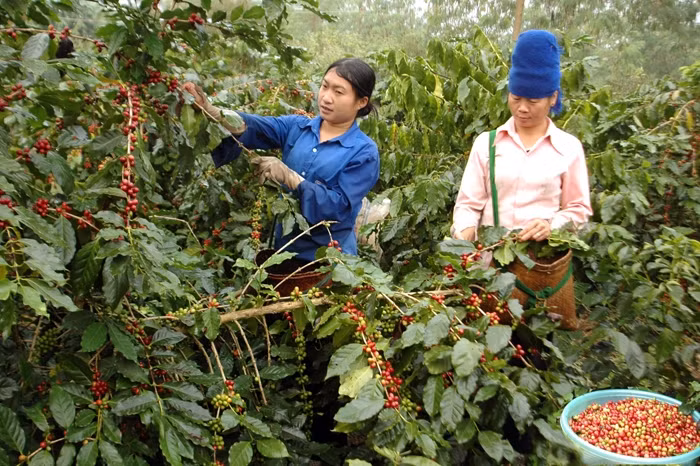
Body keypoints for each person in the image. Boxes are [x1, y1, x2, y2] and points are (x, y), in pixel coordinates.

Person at [183, 58, 380, 262]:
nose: (326, 98)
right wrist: (211, 110)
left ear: (361, 102)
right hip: (283, 251)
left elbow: (339, 206)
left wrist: (291, 178)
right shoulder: (297, 127)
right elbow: (255, 127)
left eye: (338, 92)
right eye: (324, 86)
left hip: (328, 259)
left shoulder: (364, 152)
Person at [451, 30, 592, 242]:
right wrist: (464, 233)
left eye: (533, 101)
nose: (522, 108)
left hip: (542, 259)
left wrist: (551, 226)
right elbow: (468, 205)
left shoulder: (568, 148)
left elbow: (578, 209)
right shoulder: (487, 144)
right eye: (516, 98)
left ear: (553, 98)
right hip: (492, 260)